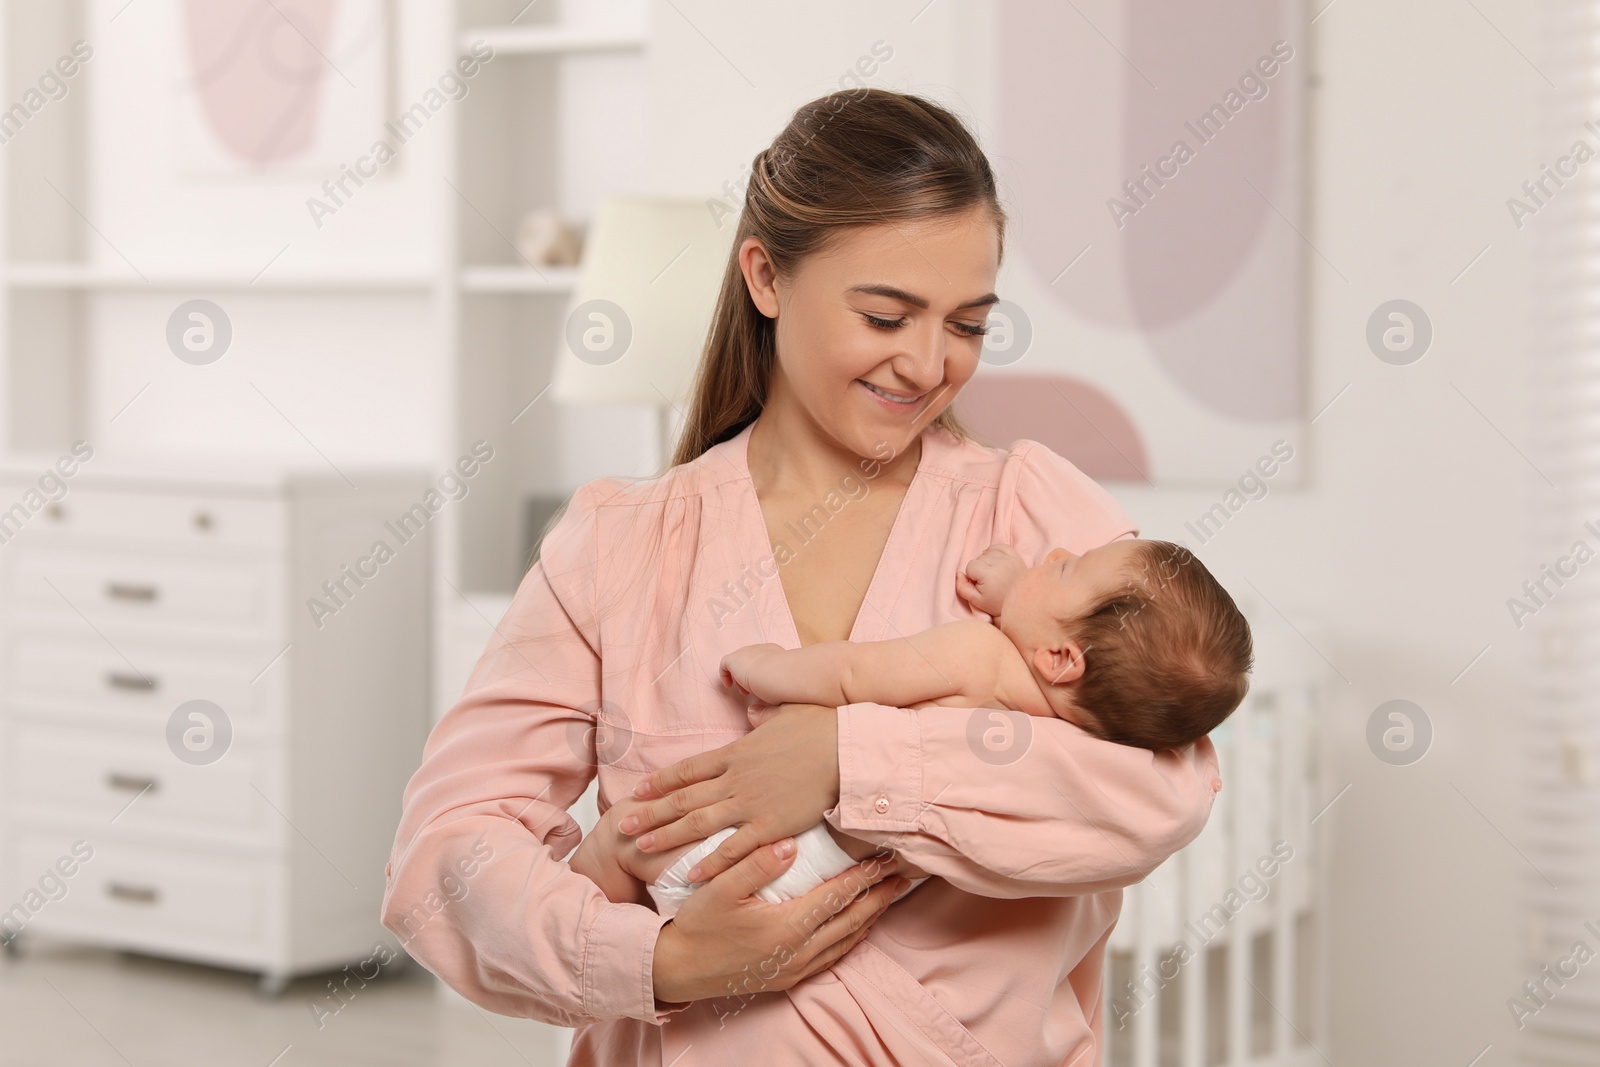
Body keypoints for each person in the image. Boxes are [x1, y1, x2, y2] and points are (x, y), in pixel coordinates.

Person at [380, 87, 1223, 1066]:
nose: (926, 362)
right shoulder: (619, 545)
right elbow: (442, 858)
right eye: (884, 314)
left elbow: (1163, 790)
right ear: (765, 278)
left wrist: (846, 760)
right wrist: (657, 959)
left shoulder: (1031, 521)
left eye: (966, 323)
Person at [579, 538, 1251, 920]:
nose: (1058, 549)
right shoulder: (1093, 733)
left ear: (1059, 658)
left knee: (621, 846)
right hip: (820, 883)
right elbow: (1047, 642)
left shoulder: (978, 656)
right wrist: (1024, 590)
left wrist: (770, 668)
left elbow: (853, 675)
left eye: (1068, 568)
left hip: (751, 837)